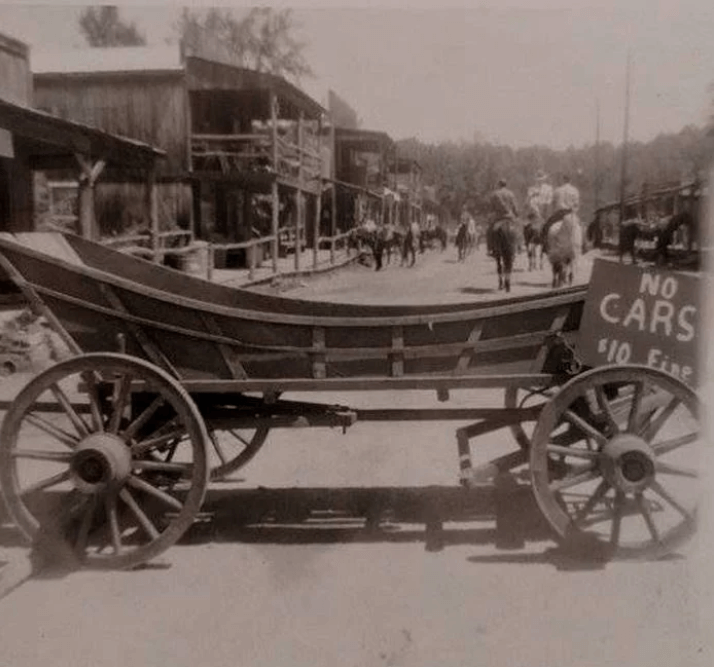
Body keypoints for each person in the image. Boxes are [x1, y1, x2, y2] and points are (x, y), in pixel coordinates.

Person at [543, 174, 580, 250]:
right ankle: (583, 246)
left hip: (559, 213)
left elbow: (553, 204)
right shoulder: (575, 190)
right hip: (570, 213)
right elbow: (576, 204)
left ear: (563, 180)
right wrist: (574, 212)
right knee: (580, 228)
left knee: (546, 227)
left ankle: (545, 246)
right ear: (570, 180)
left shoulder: (557, 190)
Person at [488, 178, 519, 255]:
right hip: (510, 217)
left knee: (489, 231)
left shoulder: (495, 194)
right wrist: (516, 214)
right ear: (506, 185)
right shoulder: (511, 194)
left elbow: (492, 208)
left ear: (499, 185)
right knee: (518, 229)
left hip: (498, 218)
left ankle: (491, 248)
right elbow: (515, 206)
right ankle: (519, 246)